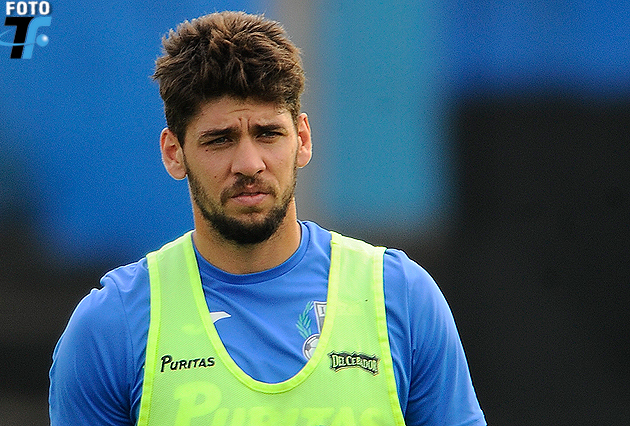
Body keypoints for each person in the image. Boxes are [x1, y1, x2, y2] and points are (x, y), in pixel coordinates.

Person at [49, 11, 486, 426]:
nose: (249, 163)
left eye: (268, 134)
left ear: (302, 139)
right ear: (173, 153)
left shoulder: (401, 298)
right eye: (220, 140)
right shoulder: (112, 326)